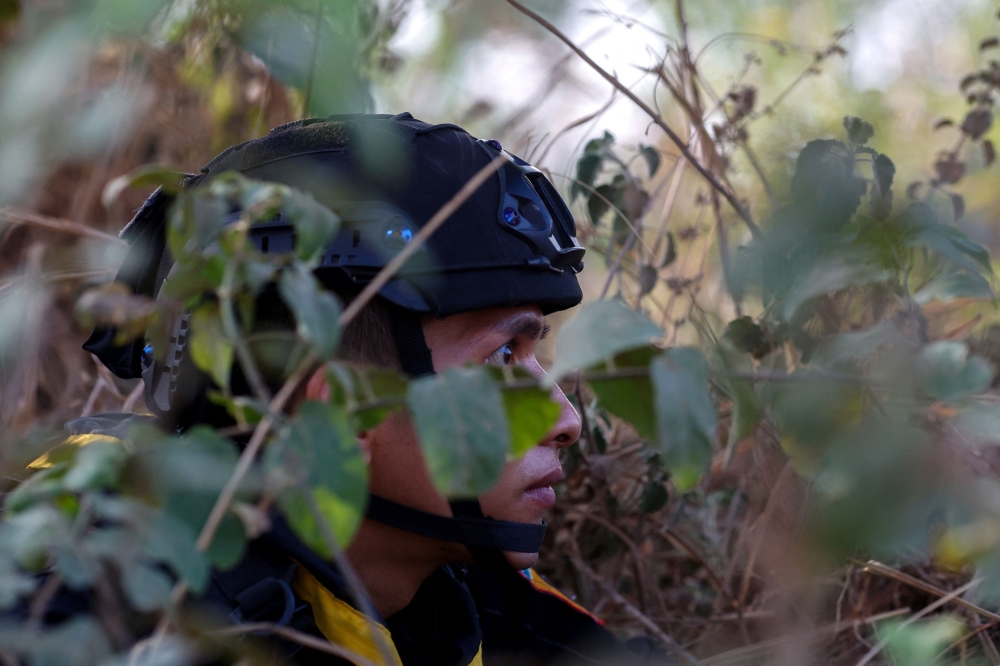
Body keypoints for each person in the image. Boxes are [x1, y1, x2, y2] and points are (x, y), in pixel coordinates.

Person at [78, 113, 671, 665]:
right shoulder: (103, 615)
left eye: (531, 352)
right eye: (499, 357)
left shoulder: (460, 592)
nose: (564, 421)